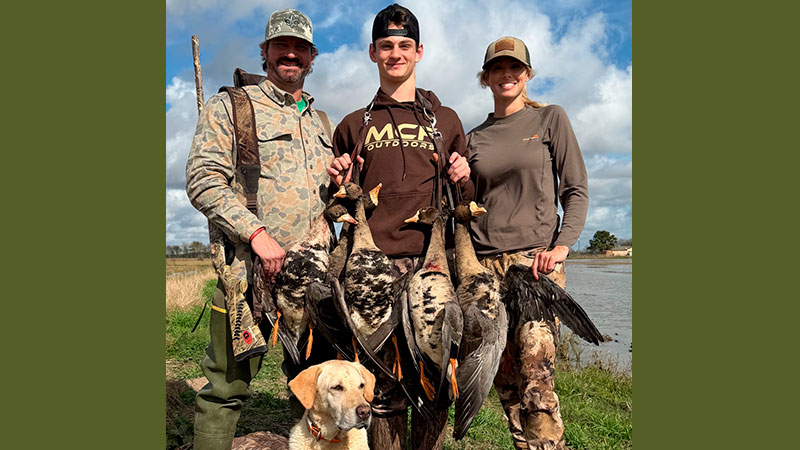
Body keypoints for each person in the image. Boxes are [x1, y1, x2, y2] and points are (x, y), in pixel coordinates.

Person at [185, 9, 336, 450]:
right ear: (265, 51)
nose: (290, 54)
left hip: (312, 283)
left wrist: (344, 182)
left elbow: (327, 200)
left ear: (312, 57)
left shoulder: (321, 122)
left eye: (300, 47)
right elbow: (203, 179)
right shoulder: (232, 107)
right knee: (224, 389)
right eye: (280, 45)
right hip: (248, 275)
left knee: (315, 389)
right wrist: (256, 234)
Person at [326, 4, 473, 450]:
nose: (396, 53)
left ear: (419, 51)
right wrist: (335, 182)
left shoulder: (445, 121)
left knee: (435, 384)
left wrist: (464, 175)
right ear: (373, 52)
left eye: (404, 45)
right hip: (374, 270)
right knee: (382, 387)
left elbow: (466, 202)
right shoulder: (353, 125)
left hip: (433, 268)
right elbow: (339, 205)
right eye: (386, 45)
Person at [466, 36, 589, 450]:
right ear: (486, 77)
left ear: (527, 74)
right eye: (497, 68)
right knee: (506, 381)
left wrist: (562, 245)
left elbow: (575, 189)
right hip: (486, 269)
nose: (507, 74)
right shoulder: (474, 137)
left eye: (514, 67)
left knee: (536, 375)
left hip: (534, 265)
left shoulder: (550, 119)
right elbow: (468, 204)